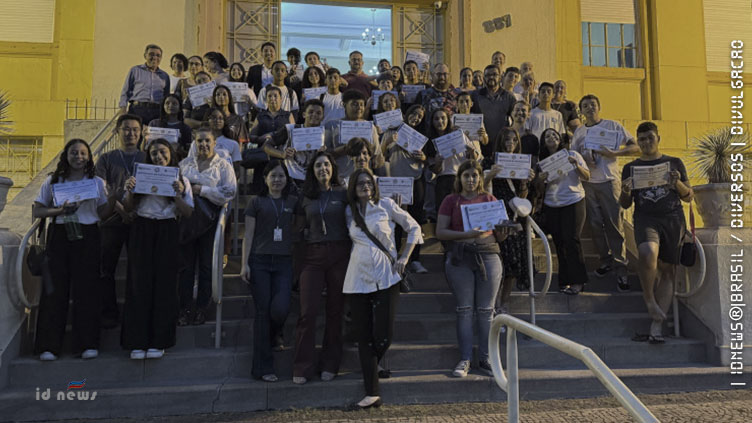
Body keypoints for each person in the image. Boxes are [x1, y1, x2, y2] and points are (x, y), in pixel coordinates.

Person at [344, 168, 422, 408]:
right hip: (357, 277)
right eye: (360, 184)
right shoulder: (349, 211)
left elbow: (414, 228)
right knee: (364, 336)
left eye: (369, 182)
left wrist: (404, 257)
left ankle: (371, 364)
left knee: (384, 333)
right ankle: (372, 392)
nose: (365, 186)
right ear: (353, 189)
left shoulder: (386, 205)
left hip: (387, 277)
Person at [34, 139, 116, 361]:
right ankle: (49, 346)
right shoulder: (53, 180)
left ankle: (87, 343)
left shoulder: (97, 182)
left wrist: (115, 197)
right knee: (55, 291)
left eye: (83, 153)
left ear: (89, 156)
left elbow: (103, 213)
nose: (78, 157)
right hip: (60, 234)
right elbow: (38, 211)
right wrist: (59, 210)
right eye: (74, 153)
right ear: (66, 155)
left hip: (88, 234)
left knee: (87, 290)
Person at [620, 122, 693, 343]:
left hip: (672, 218)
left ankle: (657, 326)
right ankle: (649, 300)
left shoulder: (674, 162)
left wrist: (676, 182)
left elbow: (688, 196)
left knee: (669, 271)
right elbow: (624, 204)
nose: (646, 142)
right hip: (645, 218)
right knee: (647, 253)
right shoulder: (630, 167)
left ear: (658, 138)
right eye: (641, 139)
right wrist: (625, 191)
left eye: (650, 138)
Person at [121, 139, 194, 360]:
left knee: (165, 285)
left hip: (167, 228)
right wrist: (131, 190)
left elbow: (188, 213)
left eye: (163, 153)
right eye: (154, 154)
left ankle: (159, 341)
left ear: (170, 154)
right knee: (138, 284)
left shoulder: (181, 179)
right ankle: (136, 341)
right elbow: (127, 207)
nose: (158, 157)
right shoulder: (138, 175)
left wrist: (177, 195)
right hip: (142, 227)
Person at [436, 160, 508, 378]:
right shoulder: (451, 200)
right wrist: (467, 235)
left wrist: (503, 230)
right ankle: (465, 358)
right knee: (465, 310)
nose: (470, 180)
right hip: (461, 257)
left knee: (487, 311)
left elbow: (499, 235)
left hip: (489, 255)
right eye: (466, 175)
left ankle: (486, 359)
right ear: (459, 178)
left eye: (474, 176)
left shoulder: (490, 199)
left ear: (480, 178)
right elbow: (441, 231)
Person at [292, 152, 351, 384]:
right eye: (318, 165)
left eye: (326, 164)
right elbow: (297, 229)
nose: (323, 168)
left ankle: (330, 363)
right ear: (312, 170)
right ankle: (302, 366)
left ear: (333, 168)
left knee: (336, 311)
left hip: (339, 254)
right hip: (313, 256)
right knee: (308, 312)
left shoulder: (343, 194)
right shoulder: (305, 197)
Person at [572, 94, 639, 291]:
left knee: (615, 225)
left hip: (610, 181)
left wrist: (614, 153)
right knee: (594, 225)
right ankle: (605, 261)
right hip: (588, 183)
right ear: (581, 111)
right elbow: (573, 156)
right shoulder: (579, 132)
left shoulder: (613, 126)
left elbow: (635, 147)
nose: (589, 108)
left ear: (599, 107)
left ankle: (622, 270)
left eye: (593, 104)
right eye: (585, 106)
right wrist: (583, 160)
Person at [241, 160, 297, 382]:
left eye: (281, 176)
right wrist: (244, 263)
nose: (277, 180)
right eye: (273, 176)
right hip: (260, 261)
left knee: (280, 308)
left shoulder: (293, 201)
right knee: (262, 313)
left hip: (284, 262)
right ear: (265, 179)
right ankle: (263, 368)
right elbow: (248, 235)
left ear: (287, 179)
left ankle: (276, 335)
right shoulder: (256, 202)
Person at [178, 128, 237, 326]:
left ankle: (202, 308)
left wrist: (201, 190)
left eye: (207, 141)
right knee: (185, 268)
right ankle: (184, 309)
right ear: (194, 142)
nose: (203, 144)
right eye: (199, 141)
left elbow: (229, 192)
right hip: (186, 220)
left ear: (214, 143)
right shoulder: (184, 164)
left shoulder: (223, 165)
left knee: (205, 267)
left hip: (209, 221)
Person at [96, 115, 147, 329]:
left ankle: (135, 315)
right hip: (112, 220)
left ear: (141, 132)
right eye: (126, 129)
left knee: (138, 270)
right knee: (105, 269)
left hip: (141, 219)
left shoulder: (147, 157)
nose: (131, 133)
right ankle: (109, 313)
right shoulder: (106, 158)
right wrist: (122, 211)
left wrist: (133, 211)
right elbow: (102, 189)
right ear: (118, 131)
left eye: (135, 129)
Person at [485, 128, 537, 312]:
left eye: (514, 140)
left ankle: (504, 303)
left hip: (515, 215)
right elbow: (481, 190)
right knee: (500, 259)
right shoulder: (490, 161)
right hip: (497, 213)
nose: (511, 143)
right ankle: (492, 301)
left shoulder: (522, 163)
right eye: (507, 139)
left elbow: (522, 195)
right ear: (500, 141)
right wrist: (490, 174)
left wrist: (525, 182)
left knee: (514, 260)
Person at [534, 128, 590, 295]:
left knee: (572, 240)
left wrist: (575, 164)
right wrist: (540, 180)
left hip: (574, 201)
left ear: (560, 139)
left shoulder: (572, 154)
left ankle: (578, 281)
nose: (551, 138)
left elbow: (587, 176)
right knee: (559, 243)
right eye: (547, 136)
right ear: (544, 142)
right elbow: (537, 189)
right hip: (552, 204)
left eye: (554, 135)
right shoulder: (541, 162)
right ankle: (564, 281)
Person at [380, 104, 430, 273]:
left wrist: (423, 157)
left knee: (415, 219)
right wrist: (388, 141)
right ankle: (393, 256)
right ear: (407, 114)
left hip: (416, 180)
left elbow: (428, 161)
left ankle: (414, 259)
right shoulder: (390, 131)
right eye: (414, 114)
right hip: (395, 181)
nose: (416, 118)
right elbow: (379, 156)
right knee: (395, 220)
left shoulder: (421, 137)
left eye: (420, 117)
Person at [262, 99, 326, 185]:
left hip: (315, 179)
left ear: (323, 117)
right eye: (310, 112)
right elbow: (266, 146)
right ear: (304, 114)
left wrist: (325, 153)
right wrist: (282, 154)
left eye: (318, 113)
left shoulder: (325, 134)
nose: (314, 115)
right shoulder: (290, 129)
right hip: (291, 178)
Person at [429, 108, 482, 210]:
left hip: (461, 178)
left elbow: (474, 159)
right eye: (436, 119)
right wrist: (438, 163)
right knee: (444, 211)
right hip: (443, 180)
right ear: (432, 122)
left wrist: (471, 151)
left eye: (443, 118)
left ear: (448, 120)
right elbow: (435, 170)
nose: (440, 121)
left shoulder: (458, 134)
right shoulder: (431, 142)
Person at [324, 89, 383, 180]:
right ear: (344, 105)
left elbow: (377, 156)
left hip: (363, 179)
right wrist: (342, 150)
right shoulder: (331, 126)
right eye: (354, 104)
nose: (359, 107)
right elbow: (324, 155)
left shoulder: (370, 127)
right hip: (340, 179)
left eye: (362, 104)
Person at [118, 44, 170, 124]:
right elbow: (125, 92)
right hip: (137, 110)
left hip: (157, 112)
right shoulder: (135, 71)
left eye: (158, 55)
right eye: (151, 54)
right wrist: (123, 109)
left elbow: (166, 96)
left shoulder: (164, 76)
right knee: (136, 135)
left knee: (154, 136)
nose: (155, 58)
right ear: (145, 56)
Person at [470, 64, 514, 158]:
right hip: (481, 145)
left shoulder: (508, 97)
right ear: (484, 78)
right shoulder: (475, 96)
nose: (491, 77)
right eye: (487, 75)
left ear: (500, 77)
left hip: (501, 144)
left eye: (494, 74)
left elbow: (515, 118)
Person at [148, 94, 193, 159]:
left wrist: (179, 149)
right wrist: (144, 138)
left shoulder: (185, 128)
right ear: (163, 106)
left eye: (174, 104)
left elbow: (189, 154)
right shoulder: (154, 124)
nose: (170, 105)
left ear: (180, 108)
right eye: (167, 103)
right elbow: (145, 148)